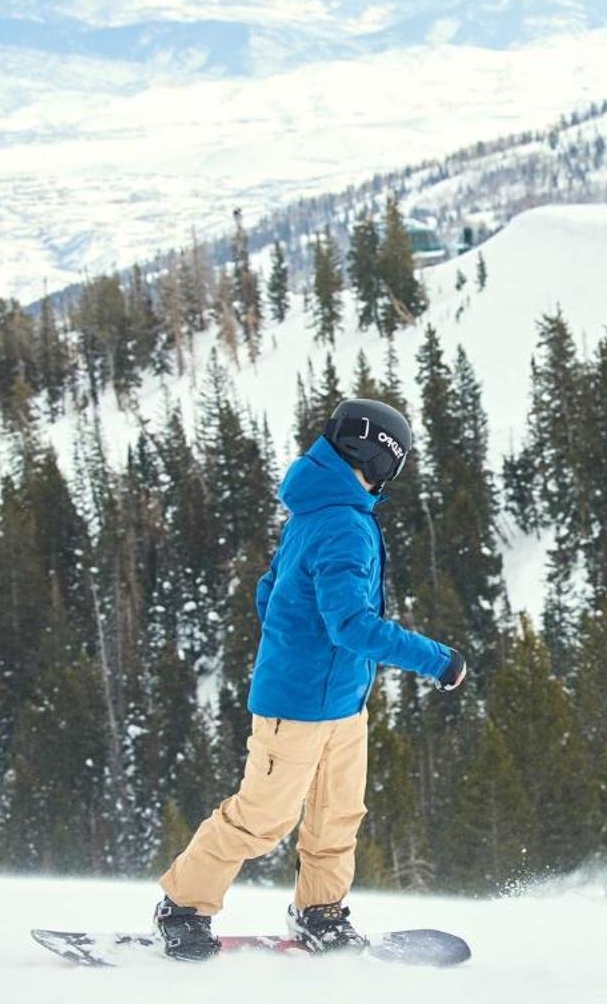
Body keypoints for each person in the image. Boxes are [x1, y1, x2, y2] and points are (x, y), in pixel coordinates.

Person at [153, 399, 468, 960]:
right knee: (261, 818)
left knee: (336, 815)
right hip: (297, 706)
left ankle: (320, 911)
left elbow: (268, 591)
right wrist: (438, 660)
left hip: (342, 703)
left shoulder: (319, 510)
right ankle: (183, 905)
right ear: (378, 455)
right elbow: (351, 624)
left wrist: (293, 642)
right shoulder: (344, 523)